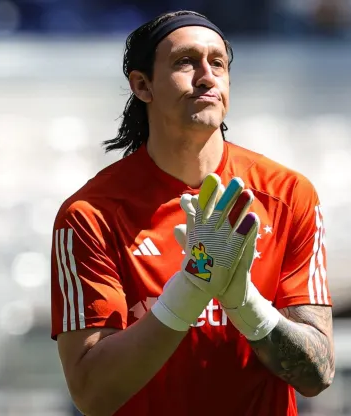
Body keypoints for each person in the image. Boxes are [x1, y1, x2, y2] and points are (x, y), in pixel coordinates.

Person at [50, 10, 334, 416]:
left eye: (217, 62)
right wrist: (189, 290)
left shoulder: (289, 196)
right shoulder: (89, 214)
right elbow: (92, 395)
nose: (206, 76)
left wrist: (245, 303)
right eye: (185, 61)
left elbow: (317, 374)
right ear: (142, 85)